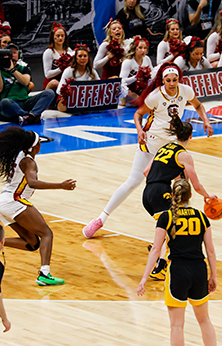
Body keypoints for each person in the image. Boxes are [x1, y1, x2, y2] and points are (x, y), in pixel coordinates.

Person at [82, 63, 214, 239]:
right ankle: (100, 219)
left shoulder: (186, 91)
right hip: (150, 144)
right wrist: (140, 131)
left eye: (175, 80)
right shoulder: (155, 96)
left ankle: (180, 225)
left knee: (182, 184)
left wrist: (205, 120)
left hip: (170, 146)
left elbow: (198, 105)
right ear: (163, 80)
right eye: (168, 80)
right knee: (133, 182)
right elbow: (138, 114)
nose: (172, 83)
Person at [137, 179, 221, 346]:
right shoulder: (201, 217)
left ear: (172, 196)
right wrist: (213, 275)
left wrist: (144, 278)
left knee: (176, 325)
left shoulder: (166, 217)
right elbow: (211, 250)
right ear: (191, 196)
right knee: (204, 320)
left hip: (177, 272)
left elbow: (156, 249)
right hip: (199, 270)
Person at [0, 127, 77, 285]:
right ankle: (44, 274)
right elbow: (33, 183)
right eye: (39, 142)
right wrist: (60, 185)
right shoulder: (29, 162)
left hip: (2, 202)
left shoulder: (17, 155)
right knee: (46, 234)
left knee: (33, 243)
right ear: (35, 147)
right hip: (14, 201)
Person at [142, 116, 216, 279]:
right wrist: (207, 196)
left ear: (176, 135)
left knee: (166, 228)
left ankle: (159, 251)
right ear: (191, 136)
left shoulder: (165, 147)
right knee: (171, 229)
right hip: (162, 191)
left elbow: (146, 171)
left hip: (147, 192)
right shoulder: (184, 155)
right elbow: (195, 186)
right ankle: (161, 266)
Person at [0, 43, 55, 126]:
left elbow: (25, 82)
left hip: (25, 101)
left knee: (49, 93)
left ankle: (29, 116)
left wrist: (12, 70)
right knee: (5, 102)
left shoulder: (23, 68)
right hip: (9, 104)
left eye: (14, 52)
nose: (12, 55)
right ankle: (30, 116)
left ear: (18, 55)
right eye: (9, 53)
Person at [56, 44, 100, 112]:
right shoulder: (68, 71)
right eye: (80, 56)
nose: (83, 58)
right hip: (70, 99)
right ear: (76, 59)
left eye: (85, 56)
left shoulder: (92, 71)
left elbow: (100, 87)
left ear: (88, 58)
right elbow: (59, 91)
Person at [119, 36, 153, 106]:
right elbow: (122, 81)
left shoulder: (147, 59)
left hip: (142, 90)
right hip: (129, 90)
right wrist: (136, 77)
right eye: (140, 48)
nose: (143, 50)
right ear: (135, 49)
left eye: (145, 48)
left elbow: (152, 75)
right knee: (139, 101)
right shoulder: (128, 62)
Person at [42, 23, 74, 91]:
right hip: (53, 83)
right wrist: (61, 68)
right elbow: (47, 74)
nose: (60, 38)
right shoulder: (49, 52)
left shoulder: (68, 50)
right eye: (58, 36)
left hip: (66, 80)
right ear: (53, 37)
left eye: (62, 36)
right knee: (55, 83)